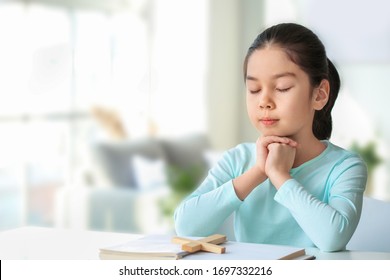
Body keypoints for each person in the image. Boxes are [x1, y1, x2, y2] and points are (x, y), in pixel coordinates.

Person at [174, 23, 368, 252]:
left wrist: (279, 175)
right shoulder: (237, 160)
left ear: (319, 94)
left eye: (282, 88)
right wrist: (258, 171)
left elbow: (332, 239)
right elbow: (186, 226)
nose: (264, 101)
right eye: (254, 89)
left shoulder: (344, 167)